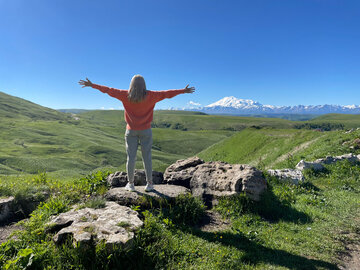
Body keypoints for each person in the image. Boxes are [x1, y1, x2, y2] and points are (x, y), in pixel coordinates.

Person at [78, 75, 195, 192]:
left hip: (131, 131)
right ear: (144, 85)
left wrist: (92, 85)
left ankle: (131, 184)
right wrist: (183, 91)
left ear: (131, 84)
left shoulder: (125, 95)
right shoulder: (152, 95)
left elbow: (108, 90)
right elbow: (167, 94)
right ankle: (149, 184)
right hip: (146, 131)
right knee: (147, 157)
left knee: (131, 158)